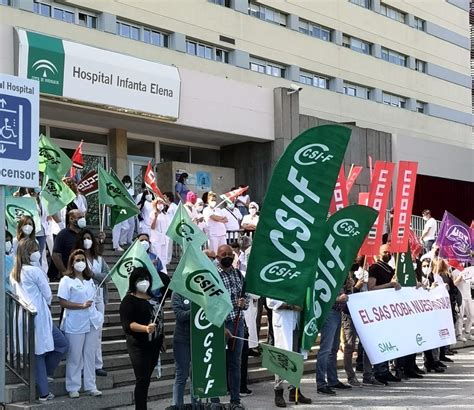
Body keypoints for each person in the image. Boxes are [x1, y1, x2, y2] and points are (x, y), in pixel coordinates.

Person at [10, 238, 69, 402]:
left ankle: (43, 384)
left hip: (25, 315)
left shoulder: (16, 272)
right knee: (53, 347)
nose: (38, 252)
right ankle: (44, 387)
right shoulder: (34, 271)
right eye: (35, 249)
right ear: (29, 253)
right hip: (39, 315)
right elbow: (48, 294)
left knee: (41, 352)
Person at [58, 249, 104, 398]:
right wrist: (80, 306)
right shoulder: (66, 280)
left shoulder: (90, 280)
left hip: (91, 321)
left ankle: (91, 386)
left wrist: (97, 314)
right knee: (75, 356)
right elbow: (62, 302)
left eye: (83, 260)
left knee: (90, 354)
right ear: (72, 262)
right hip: (75, 322)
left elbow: (95, 300)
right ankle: (73, 387)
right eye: (77, 260)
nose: (80, 263)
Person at [119, 267, 165, 410]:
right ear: (133, 281)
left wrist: (162, 338)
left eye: (146, 279)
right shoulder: (129, 300)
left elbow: (160, 320)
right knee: (142, 379)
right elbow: (128, 324)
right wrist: (145, 328)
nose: (144, 282)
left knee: (146, 379)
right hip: (139, 345)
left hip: (154, 344)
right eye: (140, 279)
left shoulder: (153, 298)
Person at [216, 244, 249, 409]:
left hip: (238, 323)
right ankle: (214, 400)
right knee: (217, 361)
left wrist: (244, 303)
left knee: (235, 362)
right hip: (220, 324)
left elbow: (246, 297)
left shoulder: (238, 274)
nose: (227, 256)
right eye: (224, 254)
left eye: (230, 254)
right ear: (217, 257)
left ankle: (235, 399)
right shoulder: (213, 275)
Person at [74, 229, 110, 377]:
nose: (87, 241)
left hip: (98, 297)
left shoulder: (99, 260)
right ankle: (82, 365)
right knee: (83, 331)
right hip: (82, 299)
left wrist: (93, 275)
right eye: (84, 238)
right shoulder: (77, 259)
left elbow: (107, 276)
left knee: (97, 332)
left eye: (89, 238)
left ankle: (97, 364)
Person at [367, 244, 402, 385]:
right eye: (385, 251)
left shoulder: (391, 269)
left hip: (389, 309)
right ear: (379, 253)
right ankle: (379, 371)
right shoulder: (375, 267)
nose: (388, 253)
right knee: (381, 340)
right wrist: (389, 285)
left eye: (389, 251)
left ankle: (385, 370)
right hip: (378, 308)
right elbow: (371, 287)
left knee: (388, 340)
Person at [267, 298, 312, 406]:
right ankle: (278, 392)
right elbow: (270, 302)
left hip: (296, 322)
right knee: (281, 358)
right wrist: (291, 306)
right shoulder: (275, 280)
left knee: (296, 358)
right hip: (282, 322)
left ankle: (294, 391)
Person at [315, 285, 353, 396]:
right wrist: (337, 299)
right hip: (329, 312)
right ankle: (321, 384)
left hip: (337, 312)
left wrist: (349, 286)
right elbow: (319, 295)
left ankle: (332, 380)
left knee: (333, 348)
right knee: (326, 349)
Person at [171, 291, 193, 406]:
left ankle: (196, 405)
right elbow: (179, 315)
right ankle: (177, 405)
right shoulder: (177, 293)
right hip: (182, 339)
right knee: (182, 376)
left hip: (198, 339)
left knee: (196, 376)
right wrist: (196, 310)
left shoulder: (200, 291)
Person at [452, 265, 473, 341]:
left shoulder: (468, 270)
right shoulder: (454, 272)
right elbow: (454, 284)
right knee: (460, 316)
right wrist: (459, 279)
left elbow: (471, 282)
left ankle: (467, 332)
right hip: (460, 297)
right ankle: (459, 334)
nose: (462, 263)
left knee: (471, 315)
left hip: (468, 296)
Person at [150, 198, 170, 274]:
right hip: (156, 239)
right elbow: (152, 227)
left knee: (164, 257)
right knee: (157, 257)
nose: (161, 204)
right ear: (156, 204)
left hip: (165, 238)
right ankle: (158, 273)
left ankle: (164, 273)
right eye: (159, 202)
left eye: (162, 202)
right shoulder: (153, 213)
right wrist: (155, 217)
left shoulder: (165, 214)